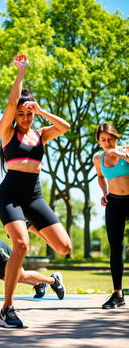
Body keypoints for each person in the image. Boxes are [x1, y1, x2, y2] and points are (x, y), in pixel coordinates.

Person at [0, 54, 72, 328]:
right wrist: (21, 72)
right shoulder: (7, 132)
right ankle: (7, 309)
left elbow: (65, 127)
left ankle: (29, 224)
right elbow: (10, 102)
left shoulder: (40, 133)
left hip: (34, 197)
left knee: (64, 247)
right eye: (22, 113)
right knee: (21, 245)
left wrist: (40, 111)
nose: (26, 118)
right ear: (14, 114)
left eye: (29, 114)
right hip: (10, 197)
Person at [93, 122, 129, 309]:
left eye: (111, 138)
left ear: (117, 137)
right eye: (103, 140)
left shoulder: (126, 150)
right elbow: (100, 176)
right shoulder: (98, 158)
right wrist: (105, 193)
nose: (108, 143)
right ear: (99, 141)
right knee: (115, 248)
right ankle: (118, 294)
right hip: (114, 204)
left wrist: (123, 155)